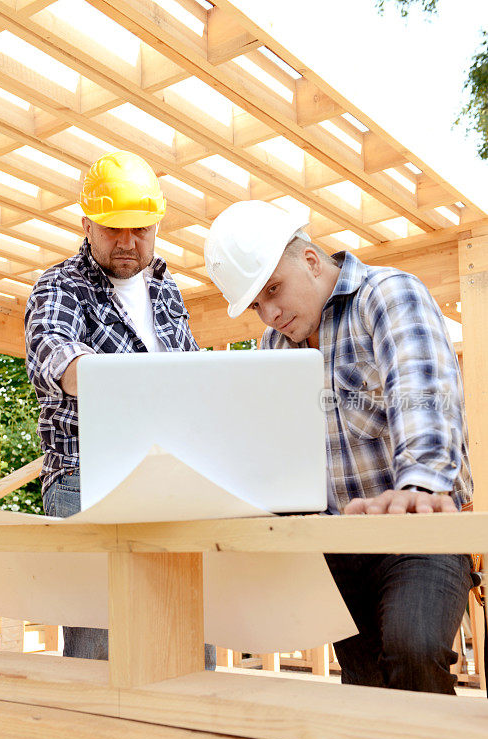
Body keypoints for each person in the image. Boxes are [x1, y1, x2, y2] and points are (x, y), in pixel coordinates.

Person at [204, 199, 473, 694]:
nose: (271, 312)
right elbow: (274, 449)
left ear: (309, 260)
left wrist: (419, 483)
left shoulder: (389, 296)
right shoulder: (274, 347)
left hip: (418, 532)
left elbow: (425, 394)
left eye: (273, 290)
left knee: (412, 654)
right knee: (365, 684)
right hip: (335, 547)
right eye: (257, 304)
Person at [25, 150, 214, 668]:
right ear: (87, 223)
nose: (129, 243)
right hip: (88, 479)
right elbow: (57, 359)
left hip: (173, 475)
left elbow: (191, 374)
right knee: (100, 651)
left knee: (190, 636)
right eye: (114, 229)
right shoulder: (60, 285)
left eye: (141, 229)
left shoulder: (167, 290)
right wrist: (152, 387)